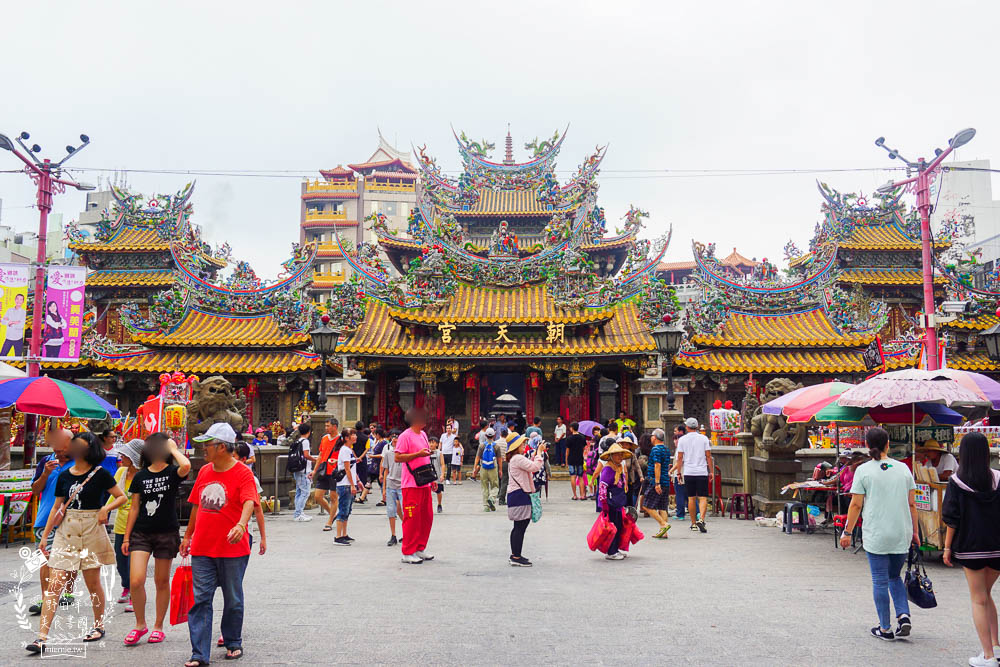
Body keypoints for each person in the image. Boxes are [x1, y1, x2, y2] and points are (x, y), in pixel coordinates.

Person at [29, 432, 127, 653]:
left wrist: (105, 508)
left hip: (91, 528)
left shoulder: (100, 474)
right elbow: (56, 507)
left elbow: (121, 496)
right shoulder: (64, 475)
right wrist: (45, 537)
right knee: (55, 585)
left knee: (93, 583)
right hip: (67, 530)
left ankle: (98, 625)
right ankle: (41, 637)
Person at [182, 422, 260, 665]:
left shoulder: (243, 473)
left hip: (232, 549)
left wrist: (240, 525)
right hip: (203, 548)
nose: (203, 448)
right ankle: (199, 654)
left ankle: (233, 640)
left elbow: (249, 502)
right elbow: (196, 504)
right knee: (200, 599)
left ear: (222, 448)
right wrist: (187, 535)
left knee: (233, 598)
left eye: (208, 444)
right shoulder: (205, 471)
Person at [840, 427, 918, 642]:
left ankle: (885, 628)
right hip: (901, 532)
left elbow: (856, 504)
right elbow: (912, 504)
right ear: (888, 445)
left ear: (867, 445)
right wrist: (915, 532)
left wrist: (847, 532)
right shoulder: (903, 469)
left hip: (876, 534)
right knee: (895, 577)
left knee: (880, 581)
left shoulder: (863, 471)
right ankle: (903, 615)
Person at [121, 433, 191, 646]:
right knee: (136, 580)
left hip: (166, 532)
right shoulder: (141, 476)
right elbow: (134, 507)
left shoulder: (172, 472)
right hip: (141, 532)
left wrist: (173, 449)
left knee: (161, 581)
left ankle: (158, 626)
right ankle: (140, 624)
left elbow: (186, 466)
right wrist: (126, 537)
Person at [942, 431, 1000, 667]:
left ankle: (988, 657)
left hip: (970, 548)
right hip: (997, 547)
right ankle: (996, 647)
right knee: (987, 596)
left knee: (978, 599)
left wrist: (947, 548)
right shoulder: (998, 478)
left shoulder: (956, 482)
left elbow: (951, 518)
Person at [29, 427, 75, 615]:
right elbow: (34, 490)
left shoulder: (80, 463)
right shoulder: (46, 462)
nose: (57, 452)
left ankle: (69, 592)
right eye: (55, 448)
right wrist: (45, 474)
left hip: (72, 519)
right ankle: (46, 598)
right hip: (46, 517)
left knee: (71, 557)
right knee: (45, 559)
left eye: (62, 448)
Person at [394, 407, 435, 564]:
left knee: (426, 517)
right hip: (411, 483)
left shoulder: (423, 434)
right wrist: (417, 454)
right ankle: (407, 551)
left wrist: (431, 481)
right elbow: (398, 457)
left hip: (424, 481)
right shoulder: (405, 436)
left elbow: (424, 457)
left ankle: (419, 547)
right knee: (412, 518)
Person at [109, 438, 143, 612]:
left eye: (126, 454)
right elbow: (113, 495)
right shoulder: (121, 472)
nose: (121, 456)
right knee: (121, 561)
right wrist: (105, 511)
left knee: (133, 562)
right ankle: (126, 586)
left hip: (138, 525)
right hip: (121, 523)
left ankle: (134, 594)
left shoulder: (144, 474)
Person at [505, 434, 546, 567]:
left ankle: (515, 554)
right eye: (522, 444)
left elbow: (529, 464)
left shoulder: (516, 458)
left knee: (518, 527)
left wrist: (535, 454)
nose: (524, 446)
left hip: (517, 494)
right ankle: (516, 556)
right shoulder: (517, 458)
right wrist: (539, 453)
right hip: (519, 495)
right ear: (516, 447)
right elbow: (534, 467)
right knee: (520, 527)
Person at [671, 417, 714, 533]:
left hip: (689, 472)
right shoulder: (704, 438)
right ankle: (702, 519)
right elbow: (708, 456)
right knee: (703, 497)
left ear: (687, 427)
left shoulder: (683, 440)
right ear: (697, 426)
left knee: (691, 498)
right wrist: (711, 471)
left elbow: (680, 458)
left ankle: (693, 523)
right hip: (702, 472)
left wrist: (679, 472)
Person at [598, 443, 632, 561]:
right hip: (610, 503)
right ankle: (611, 551)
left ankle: (615, 549)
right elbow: (602, 487)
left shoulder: (618, 467)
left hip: (617, 503)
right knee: (612, 528)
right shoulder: (608, 469)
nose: (620, 457)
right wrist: (604, 504)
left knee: (618, 526)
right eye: (617, 455)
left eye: (621, 455)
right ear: (611, 456)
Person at [309, 418, 339, 531]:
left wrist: (336, 462)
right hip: (324, 470)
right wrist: (314, 470)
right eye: (325, 426)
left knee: (333, 497)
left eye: (328, 426)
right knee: (318, 496)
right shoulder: (324, 438)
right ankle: (333, 514)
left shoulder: (340, 439)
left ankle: (330, 521)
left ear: (334, 426)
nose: (326, 428)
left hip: (335, 472)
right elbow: (321, 455)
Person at [643, 428, 672, 538]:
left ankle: (663, 524)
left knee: (647, 506)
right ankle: (664, 532)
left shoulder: (655, 449)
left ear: (654, 437)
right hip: (665, 480)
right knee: (662, 507)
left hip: (657, 481)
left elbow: (657, 465)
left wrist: (657, 483)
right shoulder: (666, 449)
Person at [333, 428, 359, 546]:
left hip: (348, 483)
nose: (355, 436)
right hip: (345, 484)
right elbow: (347, 469)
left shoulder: (348, 450)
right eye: (352, 434)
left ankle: (344, 534)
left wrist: (357, 481)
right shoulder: (344, 450)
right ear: (347, 438)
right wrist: (353, 484)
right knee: (343, 509)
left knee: (347, 510)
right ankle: (338, 536)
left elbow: (352, 468)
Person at [380, 430, 403, 547]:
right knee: (391, 510)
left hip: (403, 485)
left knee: (403, 509)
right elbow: (386, 471)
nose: (395, 441)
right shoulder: (389, 454)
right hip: (391, 484)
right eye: (393, 439)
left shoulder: (405, 454)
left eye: (397, 439)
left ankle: (407, 531)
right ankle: (393, 535)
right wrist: (383, 488)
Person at [291, 423, 315, 522]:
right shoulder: (305, 442)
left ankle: (299, 512)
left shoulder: (298, 441)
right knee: (305, 492)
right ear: (308, 432)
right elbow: (306, 455)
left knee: (299, 492)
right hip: (304, 470)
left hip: (298, 469)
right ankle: (298, 514)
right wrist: (314, 460)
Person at [474, 427, 500, 511]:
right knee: (495, 486)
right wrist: (500, 470)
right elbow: (499, 459)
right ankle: (492, 498)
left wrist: (475, 469)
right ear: (494, 435)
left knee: (484, 487)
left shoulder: (481, 446)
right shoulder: (496, 446)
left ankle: (486, 506)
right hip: (493, 468)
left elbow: (477, 458)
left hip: (483, 468)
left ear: (485, 435)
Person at [565, 422, 587, 500]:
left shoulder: (569, 438)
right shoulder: (582, 437)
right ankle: (582, 495)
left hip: (571, 459)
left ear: (571, 428)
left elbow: (567, 451)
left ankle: (575, 495)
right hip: (579, 458)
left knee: (573, 476)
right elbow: (584, 448)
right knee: (580, 477)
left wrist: (566, 461)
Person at [670, 425, 688, 521]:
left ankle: (680, 513)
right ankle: (697, 512)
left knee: (680, 494)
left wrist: (672, 471)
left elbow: (679, 463)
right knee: (689, 495)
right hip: (686, 474)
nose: (674, 441)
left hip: (680, 474)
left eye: (675, 439)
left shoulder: (680, 450)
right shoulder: (685, 448)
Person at [0, 292, 26, 357]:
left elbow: (21, 326)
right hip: (9, 337)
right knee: (2, 355)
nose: (19, 301)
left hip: (18, 338)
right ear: (15, 300)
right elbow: (2, 321)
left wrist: (10, 322)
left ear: (23, 301)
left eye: (21, 299)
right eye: (17, 299)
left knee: (18, 357)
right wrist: (13, 322)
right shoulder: (9, 310)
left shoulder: (23, 312)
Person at [429, 436, 445, 513]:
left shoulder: (439, 453)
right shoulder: (426, 452)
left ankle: (439, 504)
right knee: (427, 492)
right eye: (430, 442)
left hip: (437, 474)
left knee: (438, 491)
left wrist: (442, 474)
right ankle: (428, 506)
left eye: (433, 442)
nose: (431, 444)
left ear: (437, 444)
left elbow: (443, 464)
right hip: (428, 475)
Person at [497, 431, 512, 505]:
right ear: (507, 436)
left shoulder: (496, 443)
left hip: (496, 462)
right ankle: (501, 499)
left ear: (500, 435)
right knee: (504, 481)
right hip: (505, 463)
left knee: (498, 480)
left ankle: (498, 493)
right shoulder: (508, 443)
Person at [440, 420, 456, 484]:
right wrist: (439, 450)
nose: (448, 429)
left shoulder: (454, 436)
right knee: (442, 466)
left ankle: (447, 479)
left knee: (449, 467)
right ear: (446, 429)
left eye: (449, 428)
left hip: (450, 453)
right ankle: (441, 477)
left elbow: (457, 443)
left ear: (451, 429)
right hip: (443, 453)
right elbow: (440, 443)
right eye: (447, 428)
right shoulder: (443, 435)